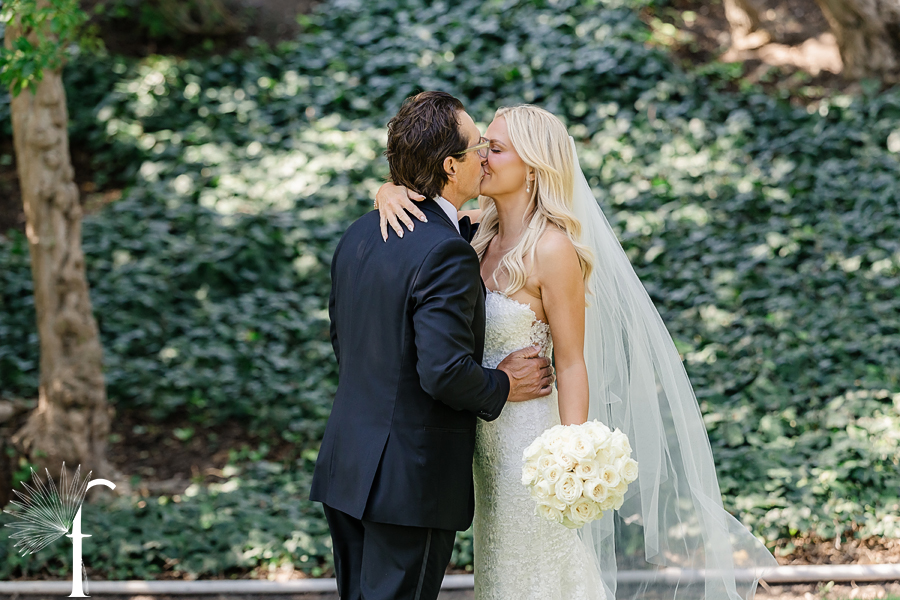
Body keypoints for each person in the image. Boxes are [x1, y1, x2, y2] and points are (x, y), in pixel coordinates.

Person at [375, 103, 778, 600]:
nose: (480, 157)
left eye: (494, 148)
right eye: (482, 147)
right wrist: (388, 189)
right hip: (482, 443)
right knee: (500, 573)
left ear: (533, 168)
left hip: (529, 440)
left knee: (539, 574)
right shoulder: (475, 233)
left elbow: (570, 361)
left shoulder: (553, 249)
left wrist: (570, 454)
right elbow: (427, 208)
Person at [309, 91, 555, 600]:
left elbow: (344, 339)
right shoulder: (445, 250)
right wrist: (504, 382)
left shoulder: (360, 233)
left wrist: (389, 187)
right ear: (450, 165)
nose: (485, 156)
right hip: (406, 482)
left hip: (348, 467)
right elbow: (442, 371)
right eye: (477, 148)